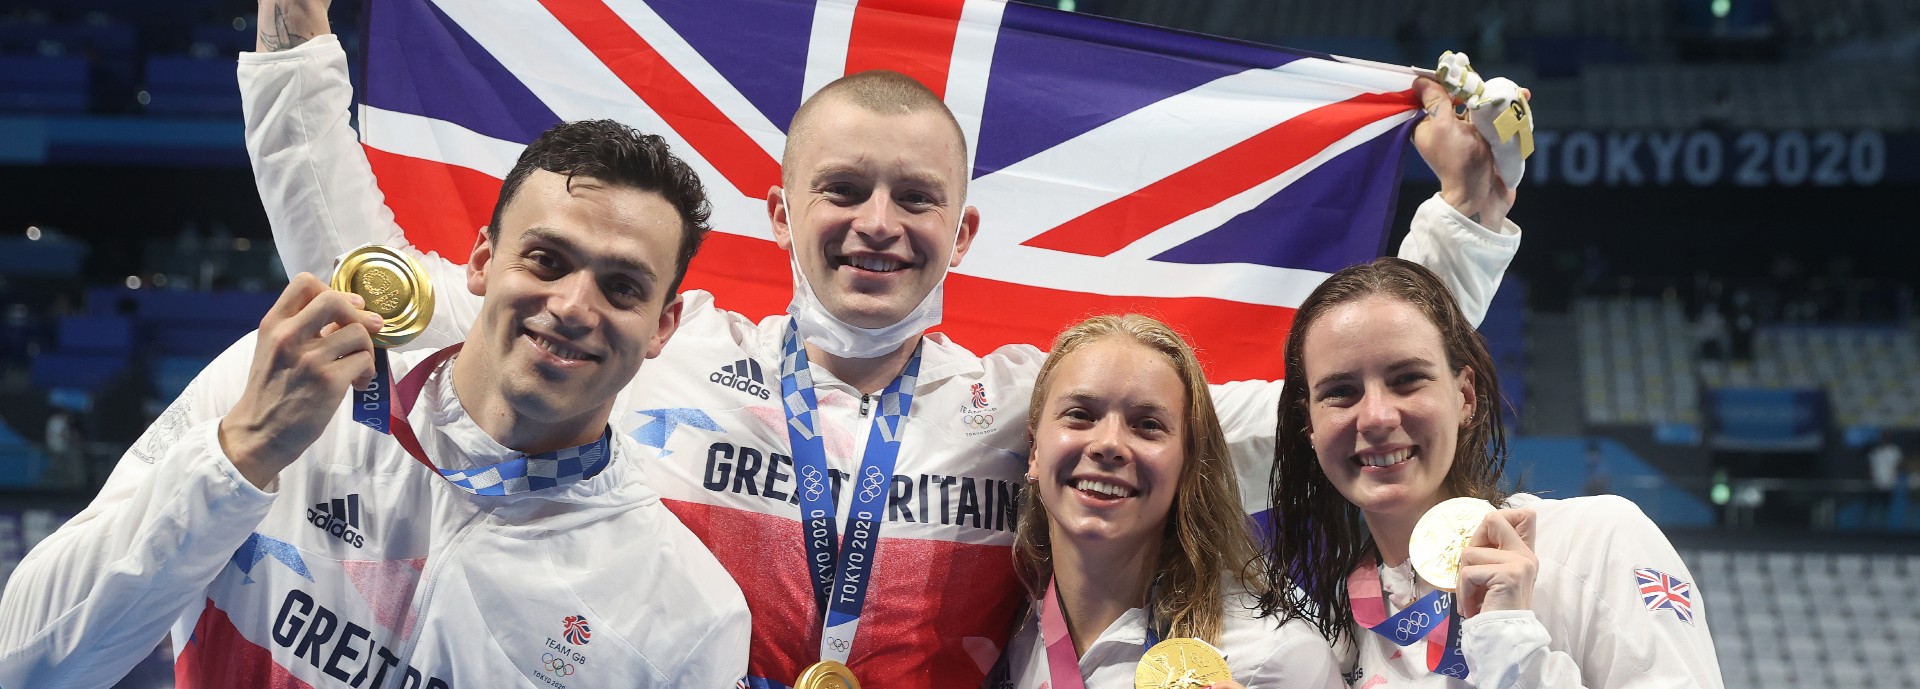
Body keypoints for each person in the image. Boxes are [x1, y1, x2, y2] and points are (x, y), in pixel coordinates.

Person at [240, 2, 1528, 684]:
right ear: (778, 210)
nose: (877, 224)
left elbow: (1326, 406)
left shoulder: (1033, 407)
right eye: (843, 190)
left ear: (963, 228)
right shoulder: (657, 360)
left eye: (915, 199)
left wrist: (1460, 229)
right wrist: (295, 49)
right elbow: (387, 293)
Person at [0, 120, 751, 687]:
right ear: (483, 263)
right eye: (546, 260)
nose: (573, 305)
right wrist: (239, 455)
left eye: (622, 287)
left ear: (662, 327)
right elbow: (28, 661)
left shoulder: (687, 611)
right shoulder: (282, 399)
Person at [1259, 258, 1723, 688]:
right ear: (1310, 427)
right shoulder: (1341, 632)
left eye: (1406, 379)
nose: (1377, 416)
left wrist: (1510, 641)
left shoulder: (1597, 541)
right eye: (1341, 391)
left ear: (1465, 396)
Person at [993, 315, 1340, 689]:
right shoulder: (1002, 630)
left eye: (1148, 424)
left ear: (1187, 463)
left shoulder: (1273, 656)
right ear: (1034, 452)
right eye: (1080, 415)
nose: (1109, 443)